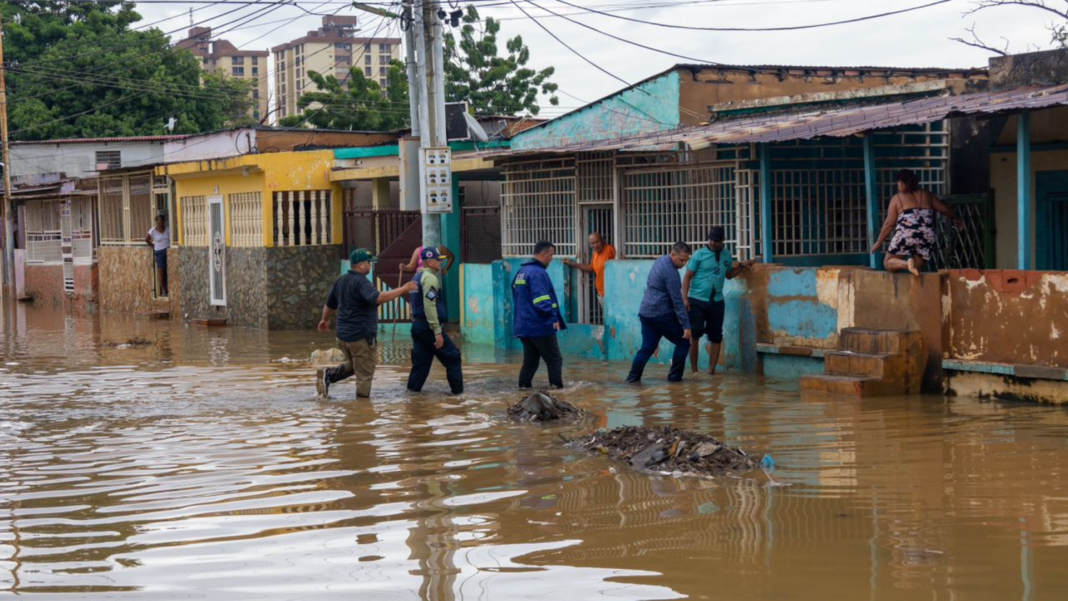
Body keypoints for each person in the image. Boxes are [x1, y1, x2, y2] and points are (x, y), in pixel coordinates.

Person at [317, 248, 417, 399]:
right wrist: (402, 289)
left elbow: (329, 304)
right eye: (369, 263)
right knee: (364, 375)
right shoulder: (362, 282)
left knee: (355, 365)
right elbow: (378, 298)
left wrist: (324, 320)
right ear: (361, 265)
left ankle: (328, 375)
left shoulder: (342, 280)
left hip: (342, 337)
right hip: (360, 337)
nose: (371, 266)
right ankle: (361, 412)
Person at [682, 227, 754, 376]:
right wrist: (684, 298)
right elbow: (688, 276)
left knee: (716, 336)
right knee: (694, 335)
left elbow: (728, 275)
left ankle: (710, 372)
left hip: (717, 301)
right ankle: (695, 371)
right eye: (711, 239)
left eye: (716, 240)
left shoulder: (727, 255)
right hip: (696, 300)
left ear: (723, 241)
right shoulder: (699, 255)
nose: (713, 243)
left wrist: (741, 266)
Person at [871, 168, 964, 276]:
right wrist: (957, 219)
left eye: (898, 182)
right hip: (927, 235)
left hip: (906, 235)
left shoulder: (897, 198)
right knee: (916, 268)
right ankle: (912, 268)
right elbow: (945, 210)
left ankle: (906, 264)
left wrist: (879, 242)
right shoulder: (927, 195)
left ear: (901, 182)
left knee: (888, 263)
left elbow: (889, 223)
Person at [626, 242, 693, 384]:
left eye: (687, 260)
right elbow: (678, 302)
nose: (684, 263)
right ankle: (675, 380)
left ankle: (632, 380)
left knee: (647, 348)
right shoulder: (672, 273)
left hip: (646, 312)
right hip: (660, 314)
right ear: (673, 254)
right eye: (681, 260)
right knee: (684, 343)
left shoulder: (661, 260)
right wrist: (686, 326)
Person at [406, 247, 464, 395]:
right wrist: (437, 331)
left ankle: (412, 397)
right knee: (453, 358)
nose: (441, 262)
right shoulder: (430, 278)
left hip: (418, 326)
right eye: (438, 260)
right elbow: (429, 305)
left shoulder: (416, 277)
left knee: (421, 365)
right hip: (428, 326)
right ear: (430, 262)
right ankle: (458, 397)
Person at [513, 240, 566, 389]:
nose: (551, 259)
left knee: (530, 360)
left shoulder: (521, 272)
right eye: (551, 255)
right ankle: (557, 392)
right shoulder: (537, 273)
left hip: (524, 326)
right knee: (554, 360)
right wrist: (552, 317)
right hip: (539, 325)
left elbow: (516, 295)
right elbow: (541, 300)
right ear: (543, 254)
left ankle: (523, 389)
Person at [562, 232, 616, 310]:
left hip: (612, 292)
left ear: (602, 241)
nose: (595, 245)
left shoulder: (609, 249)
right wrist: (573, 264)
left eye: (597, 242)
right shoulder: (595, 253)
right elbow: (591, 268)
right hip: (601, 293)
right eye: (592, 243)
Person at [145, 214, 170, 296]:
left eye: (161, 220)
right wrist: (153, 246)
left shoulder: (167, 229)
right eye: (158, 220)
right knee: (161, 271)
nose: (160, 222)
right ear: (156, 221)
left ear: (164, 221)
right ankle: (163, 290)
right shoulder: (153, 230)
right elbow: (147, 239)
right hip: (159, 252)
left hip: (168, 251)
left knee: (169, 271)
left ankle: (169, 289)